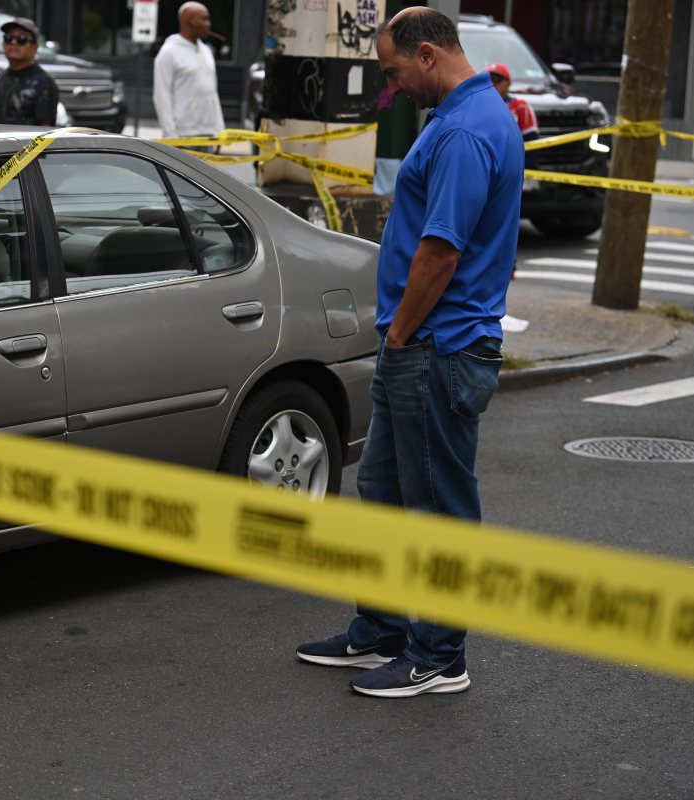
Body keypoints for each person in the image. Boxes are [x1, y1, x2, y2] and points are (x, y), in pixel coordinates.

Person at [294, 8, 522, 698]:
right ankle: (383, 629)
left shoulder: (462, 130)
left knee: (437, 506)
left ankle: (439, 656)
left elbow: (441, 251)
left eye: (393, 73)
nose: (391, 90)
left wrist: (398, 335)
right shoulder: (476, 117)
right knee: (386, 492)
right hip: (427, 344)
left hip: (434, 346)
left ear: (428, 55)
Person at [152, 2, 225, 140]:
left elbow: (212, 93)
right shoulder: (169, 52)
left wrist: (218, 130)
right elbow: (161, 96)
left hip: (207, 134)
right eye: (203, 19)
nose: (208, 24)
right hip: (182, 135)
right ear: (188, 21)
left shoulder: (206, 51)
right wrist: (170, 134)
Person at [0, 17, 58, 126]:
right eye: (8, 37)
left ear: (35, 47)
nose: (13, 42)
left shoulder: (45, 83)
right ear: (3, 44)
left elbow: (45, 133)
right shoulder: (0, 77)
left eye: (22, 39)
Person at [485, 62, 539, 143]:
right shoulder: (478, 106)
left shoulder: (520, 106)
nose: (492, 84)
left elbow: (531, 139)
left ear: (508, 82)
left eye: (496, 80)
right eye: (488, 80)